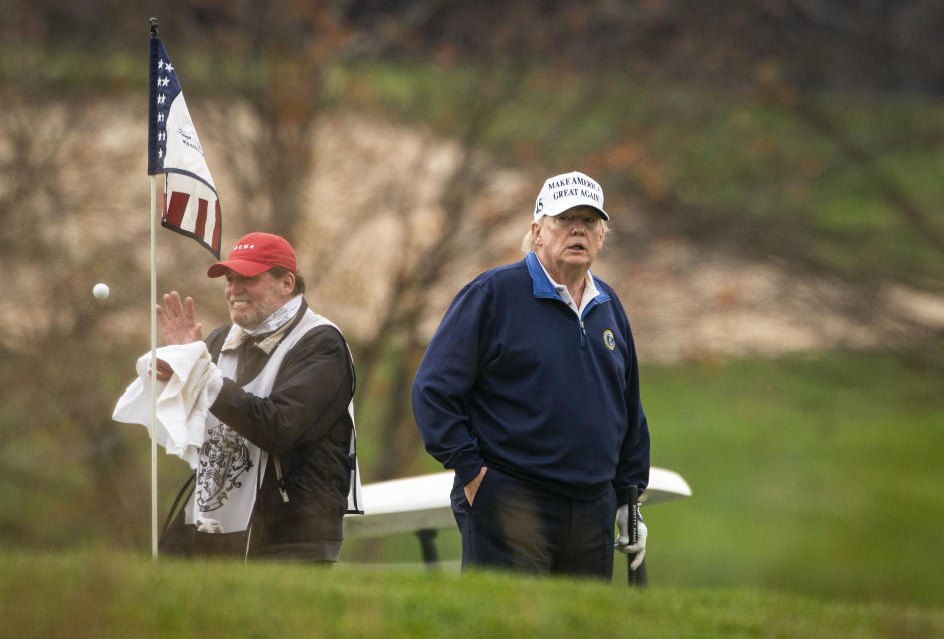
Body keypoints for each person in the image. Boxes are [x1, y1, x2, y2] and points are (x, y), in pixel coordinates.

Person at [411, 171, 649, 579]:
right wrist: (473, 475)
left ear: (601, 237)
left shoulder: (609, 305)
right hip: (510, 500)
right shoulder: (493, 294)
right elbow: (433, 390)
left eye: (589, 221)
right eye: (564, 219)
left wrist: (629, 498)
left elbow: (626, 407)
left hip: (593, 509)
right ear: (538, 231)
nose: (578, 229)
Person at [153, 231, 362, 562]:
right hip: (210, 528)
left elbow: (278, 426)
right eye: (230, 279)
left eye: (247, 279)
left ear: (286, 283)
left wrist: (200, 376)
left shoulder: (322, 344)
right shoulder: (220, 340)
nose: (233, 290)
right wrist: (174, 376)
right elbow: (189, 429)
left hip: (291, 540)